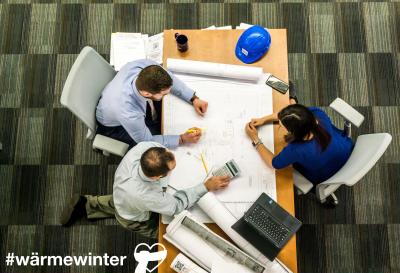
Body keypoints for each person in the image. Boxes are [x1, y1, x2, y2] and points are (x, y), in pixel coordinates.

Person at [60, 142, 230, 238]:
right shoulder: (146, 195)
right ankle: (89, 207)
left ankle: (87, 204)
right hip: (133, 216)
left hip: (122, 193)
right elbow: (176, 206)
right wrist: (206, 186)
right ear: (157, 177)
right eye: (171, 169)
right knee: (164, 231)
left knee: (119, 202)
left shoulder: (145, 149)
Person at [245, 101, 353, 207]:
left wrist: (255, 139)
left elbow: (273, 163)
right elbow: (293, 114)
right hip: (347, 150)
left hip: (326, 174)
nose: (280, 125)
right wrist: (263, 120)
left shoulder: (296, 149)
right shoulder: (317, 115)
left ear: (293, 132)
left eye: (282, 126)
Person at [96, 59, 209, 148]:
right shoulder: (129, 113)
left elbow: (169, 79)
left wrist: (193, 98)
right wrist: (182, 139)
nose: (167, 95)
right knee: (156, 142)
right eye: (164, 94)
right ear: (146, 94)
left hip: (114, 98)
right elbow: (147, 141)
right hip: (114, 126)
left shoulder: (145, 67)